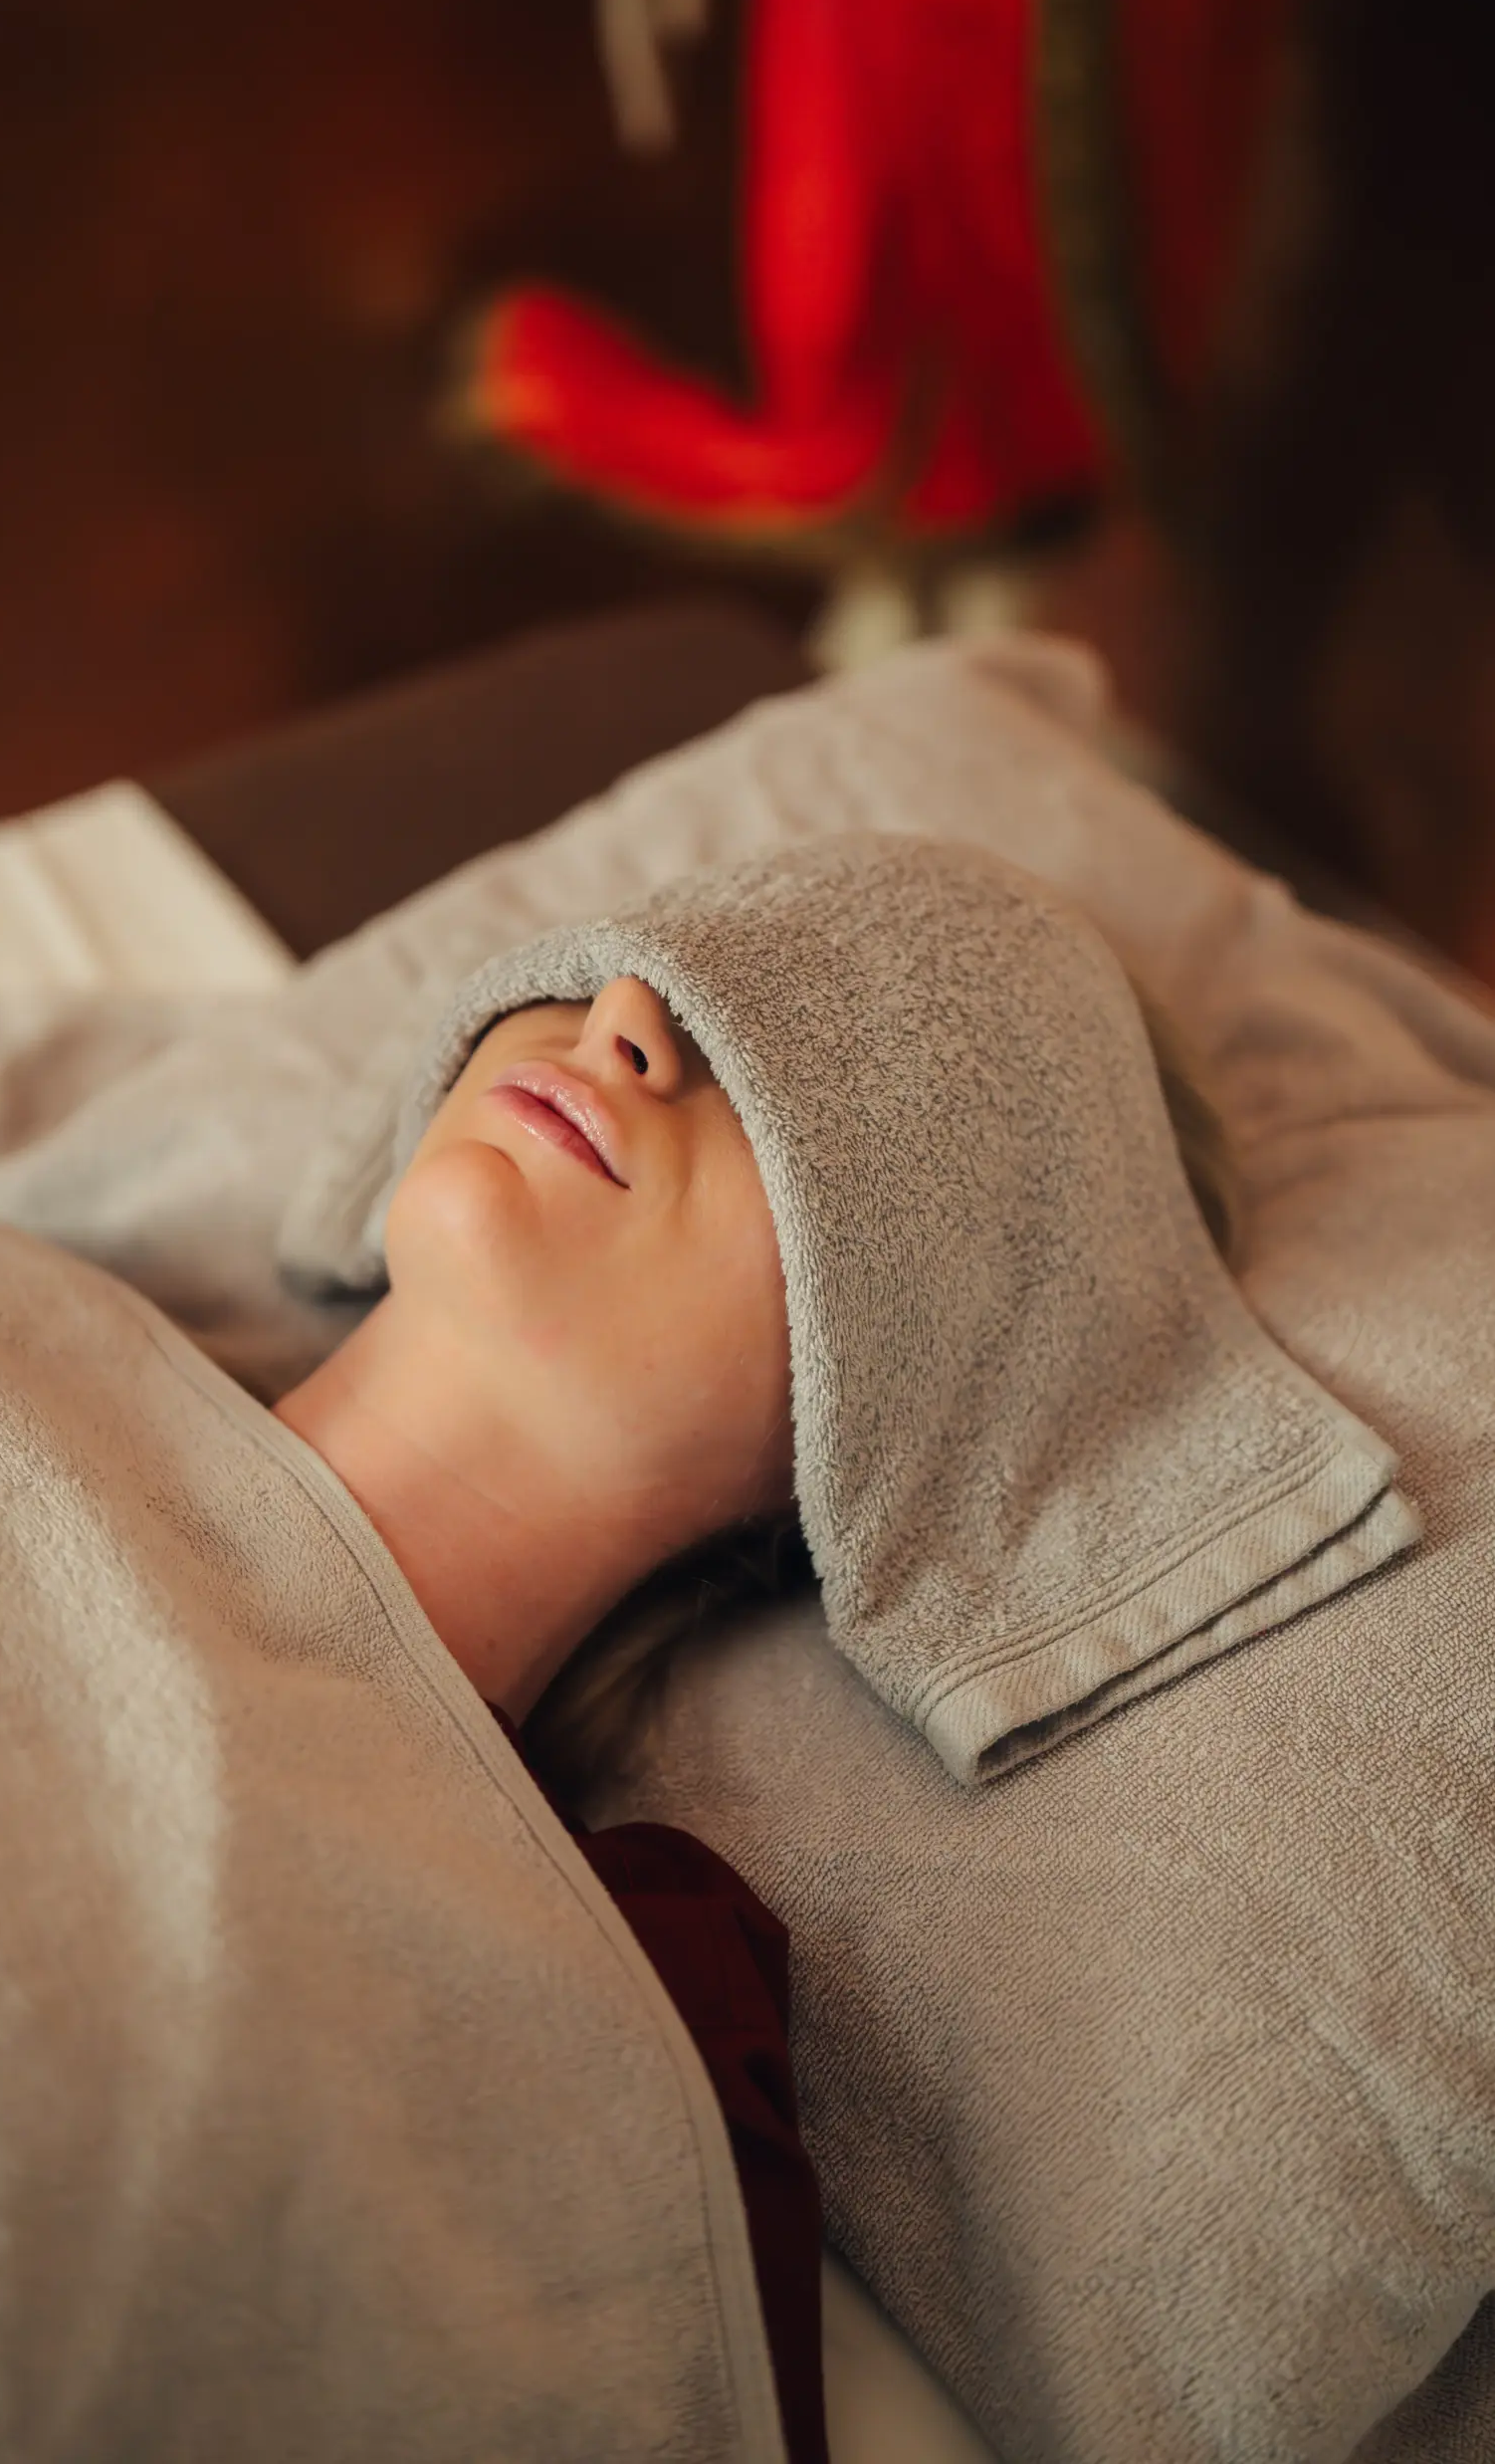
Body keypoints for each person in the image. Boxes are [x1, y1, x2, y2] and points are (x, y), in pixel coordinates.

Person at [274, 843, 1242, 2464]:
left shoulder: (612, 2014)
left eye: (814, 1075)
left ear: (904, 1405)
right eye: (661, 957)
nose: (628, 1016)